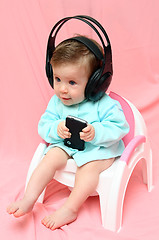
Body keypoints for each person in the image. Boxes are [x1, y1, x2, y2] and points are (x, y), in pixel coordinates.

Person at [7, 36, 129, 230]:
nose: (62, 89)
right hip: (67, 145)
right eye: (57, 79)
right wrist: (56, 129)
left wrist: (97, 132)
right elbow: (43, 126)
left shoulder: (105, 104)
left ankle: (71, 208)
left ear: (95, 82)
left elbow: (120, 127)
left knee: (87, 169)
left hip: (98, 150)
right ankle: (29, 197)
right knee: (49, 158)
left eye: (72, 82)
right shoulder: (57, 103)